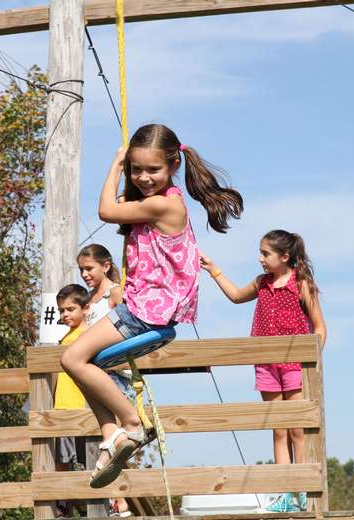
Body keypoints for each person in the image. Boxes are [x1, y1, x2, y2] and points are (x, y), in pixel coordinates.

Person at [61, 123, 243, 489]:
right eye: (136, 169)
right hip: (145, 308)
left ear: (173, 165)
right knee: (86, 366)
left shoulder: (163, 204)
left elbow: (105, 211)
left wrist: (115, 164)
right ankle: (112, 434)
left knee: (71, 359)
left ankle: (130, 423)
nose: (144, 177)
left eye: (153, 170)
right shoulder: (156, 201)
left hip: (145, 313)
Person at [199, 229, 325, 513]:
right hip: (266, 365)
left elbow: (319, 327)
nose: (260, 259)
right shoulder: (261, 283)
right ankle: (284, 493)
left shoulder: (301, 284)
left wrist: (313, 359)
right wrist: (213, 270)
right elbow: (234, 296)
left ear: (285, 256)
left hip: (295, 365)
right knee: (278, 432)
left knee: (297, 431)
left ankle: (301, 489)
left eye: (265, 254)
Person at [77, 244, 132, 516]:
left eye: (89, 268)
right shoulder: (89, 299)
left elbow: (126, 331)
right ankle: (115, 499)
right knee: (110, 433)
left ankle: (120, 501)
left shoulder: (115, 293)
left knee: (120, 432)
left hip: (116, 372)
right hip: (96, 372)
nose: (85, 274)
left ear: (106, 266)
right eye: (81, 270)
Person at [52, 284, 90, 518]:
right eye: (61, 310)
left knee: (90, 460)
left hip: (82, 405)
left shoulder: (89, 335)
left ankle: (99, 503)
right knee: (61, 460)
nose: (65, 314)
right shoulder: (64, 337)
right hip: (62, 404)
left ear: (86, 308)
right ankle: (64, 501)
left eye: (70, 309)